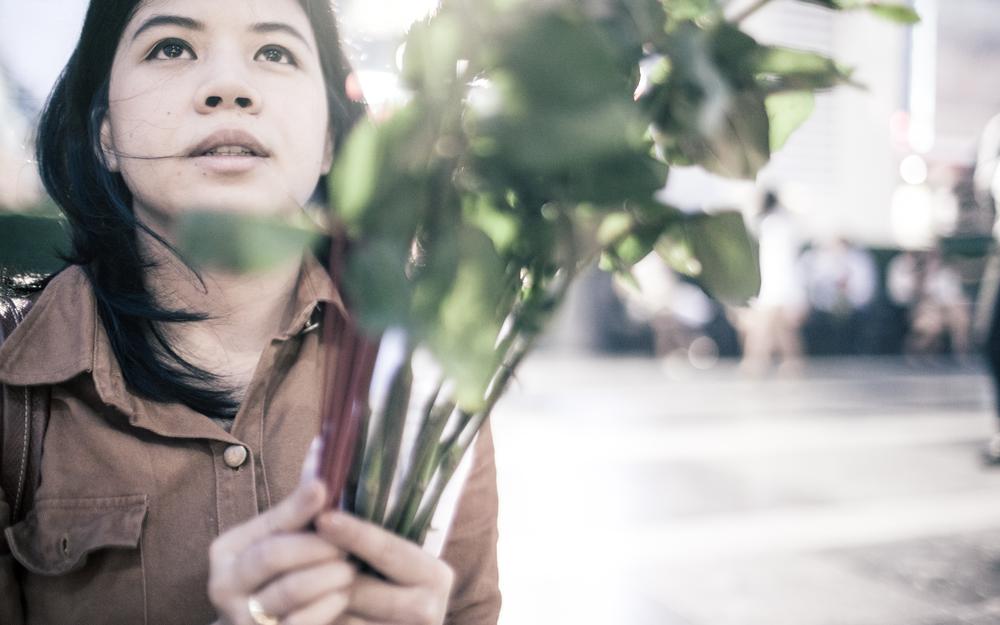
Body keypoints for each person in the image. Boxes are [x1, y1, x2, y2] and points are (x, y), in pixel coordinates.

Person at [0, 1, 500, 624]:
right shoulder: (13, 386)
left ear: (329, 140)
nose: (229, 87)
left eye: (275, 52)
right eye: (171, 47)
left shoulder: (423, 377)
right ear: (105, 133)